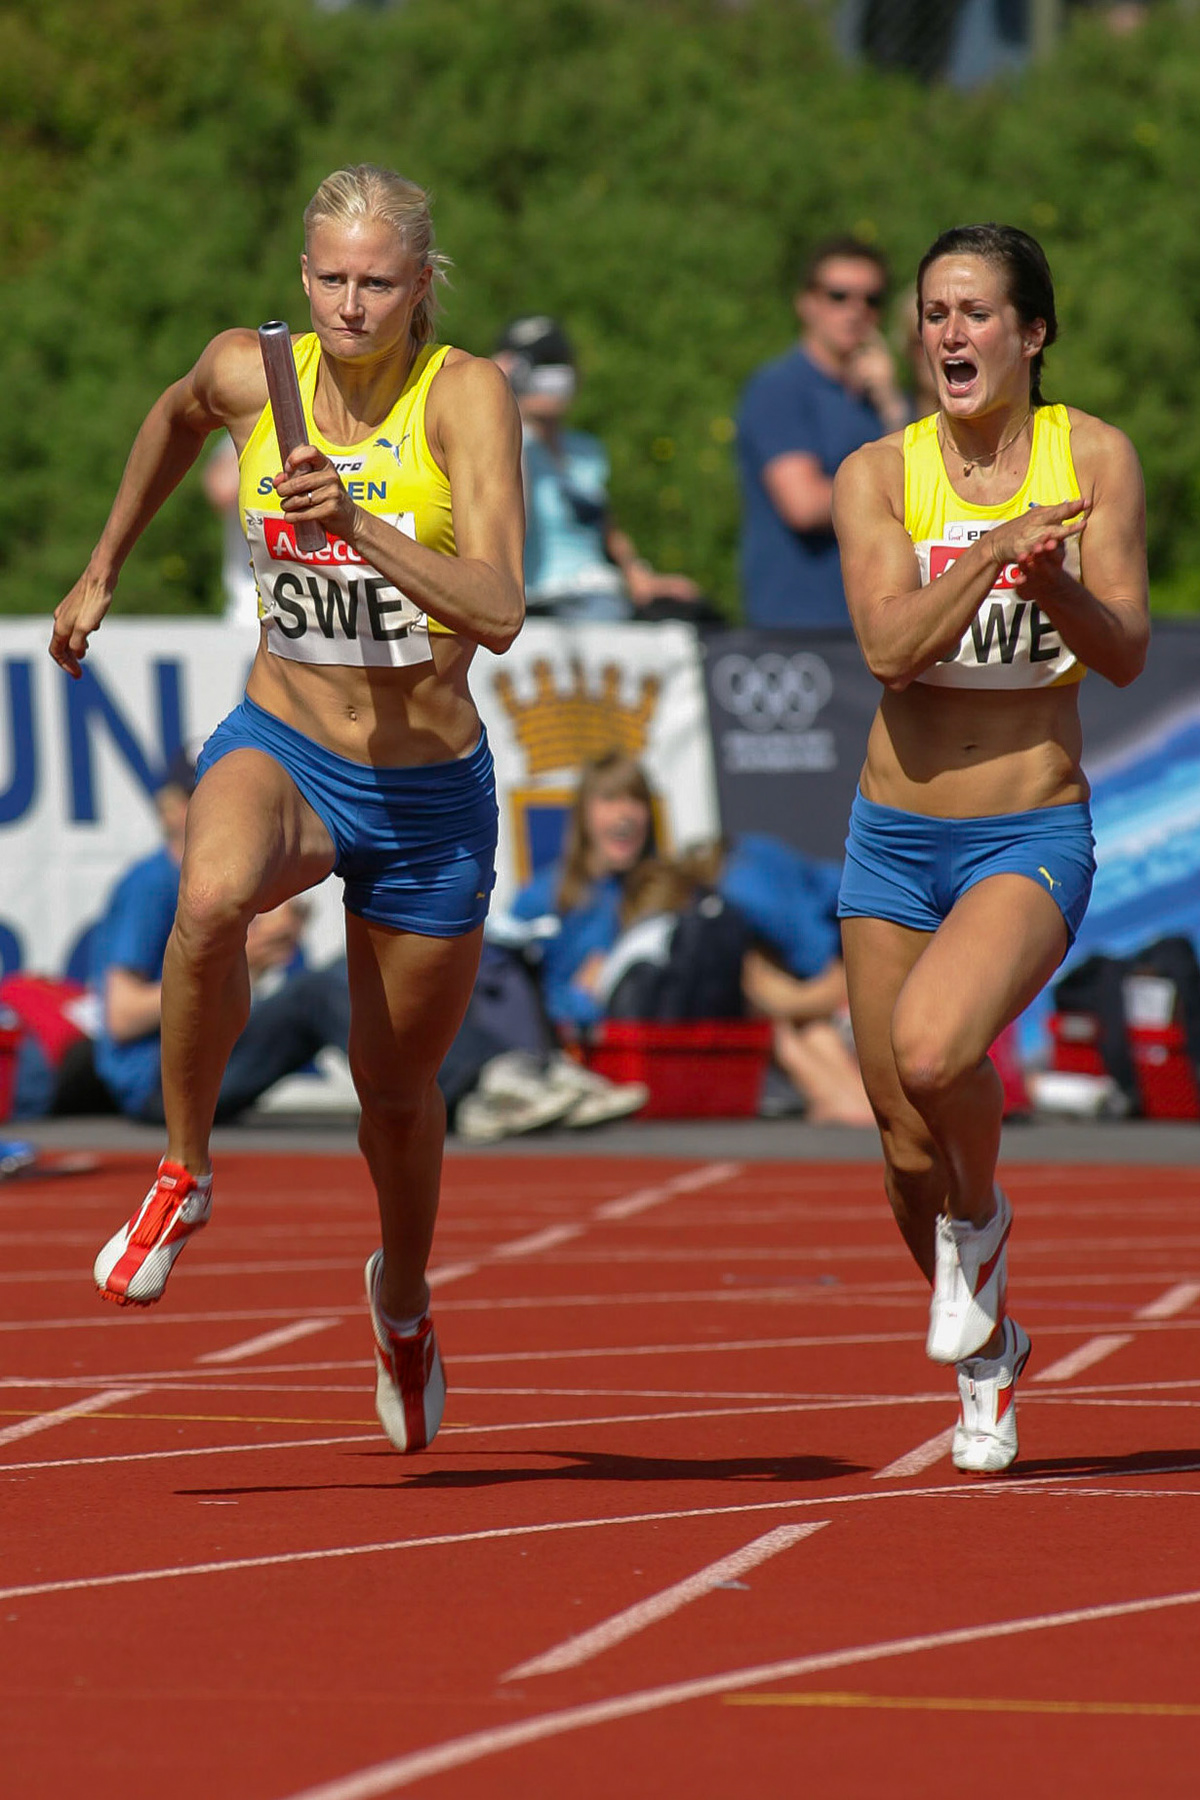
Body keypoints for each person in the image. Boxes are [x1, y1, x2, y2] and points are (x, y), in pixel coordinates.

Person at [49, 164, 525, 1456]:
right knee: (208, 900)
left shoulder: (464, 396)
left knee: (394, 1093)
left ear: (422, 285)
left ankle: (403, 1302)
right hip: (288, 741)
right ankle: (183, 1170)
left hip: (425, 791)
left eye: (377, 282)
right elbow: (171, 419)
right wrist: (100, 569)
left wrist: (360, 527)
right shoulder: (251, 372)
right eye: (330, 279)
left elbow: (498, 607)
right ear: (303, 275)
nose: (350, 305)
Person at [831, 223, 1148, 1473]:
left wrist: (1053, 580)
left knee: (932, 1049)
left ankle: (983, 1219)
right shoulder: (879, 473)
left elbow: (1122, 650)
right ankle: (992, 1356)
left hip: (1027, 828)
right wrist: (993, 555)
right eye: (934, 313)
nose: (950, 334)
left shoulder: (1094, 458)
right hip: (892, 835)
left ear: (1032, 333)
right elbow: (888, 649)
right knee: (901, 1143)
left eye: (975, 313)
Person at [89, 752, 352, 1124]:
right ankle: (423, 1093)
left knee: (347, 970)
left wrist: (254, 958)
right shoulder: (152, 884)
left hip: (199, 1056)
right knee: (314, 996)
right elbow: (123, 1016)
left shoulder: (221, 877)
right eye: (205, 796)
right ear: (171, 810)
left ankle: (422, 1084)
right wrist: (237, 958)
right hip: (161, 1080)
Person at [737, 235, 910, 629]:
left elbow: (926, 487)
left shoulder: (885, 400)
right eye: (839, 296)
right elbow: (803, 503)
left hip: (879, 619)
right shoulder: (779, 389)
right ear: (807, 303)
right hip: (800, 622)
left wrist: (891, 405)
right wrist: (887, 496)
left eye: (872, 299)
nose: (856, 311)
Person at [493, 316, 705, 621]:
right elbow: (509, 523)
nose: (550, 377)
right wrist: (498, 395)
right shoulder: (506, 444)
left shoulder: (586, 450)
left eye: (558, 363)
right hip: (541, 598)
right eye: (537, 365)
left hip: (598, 590)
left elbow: (604, 526)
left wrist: (640, 575)